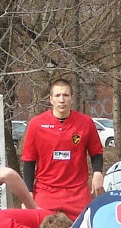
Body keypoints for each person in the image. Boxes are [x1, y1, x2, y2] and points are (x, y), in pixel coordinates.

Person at [21, 78, 104, 219]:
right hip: (46, 192)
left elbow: (96, 152)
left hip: (77, 193)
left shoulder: (86, 123)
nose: (62, 100)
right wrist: (28, 192)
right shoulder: (36, 124)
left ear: (72, 98)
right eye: (58, 95)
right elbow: (28, 161)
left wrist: (98, 172)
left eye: (65, 95)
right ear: (51, 99)